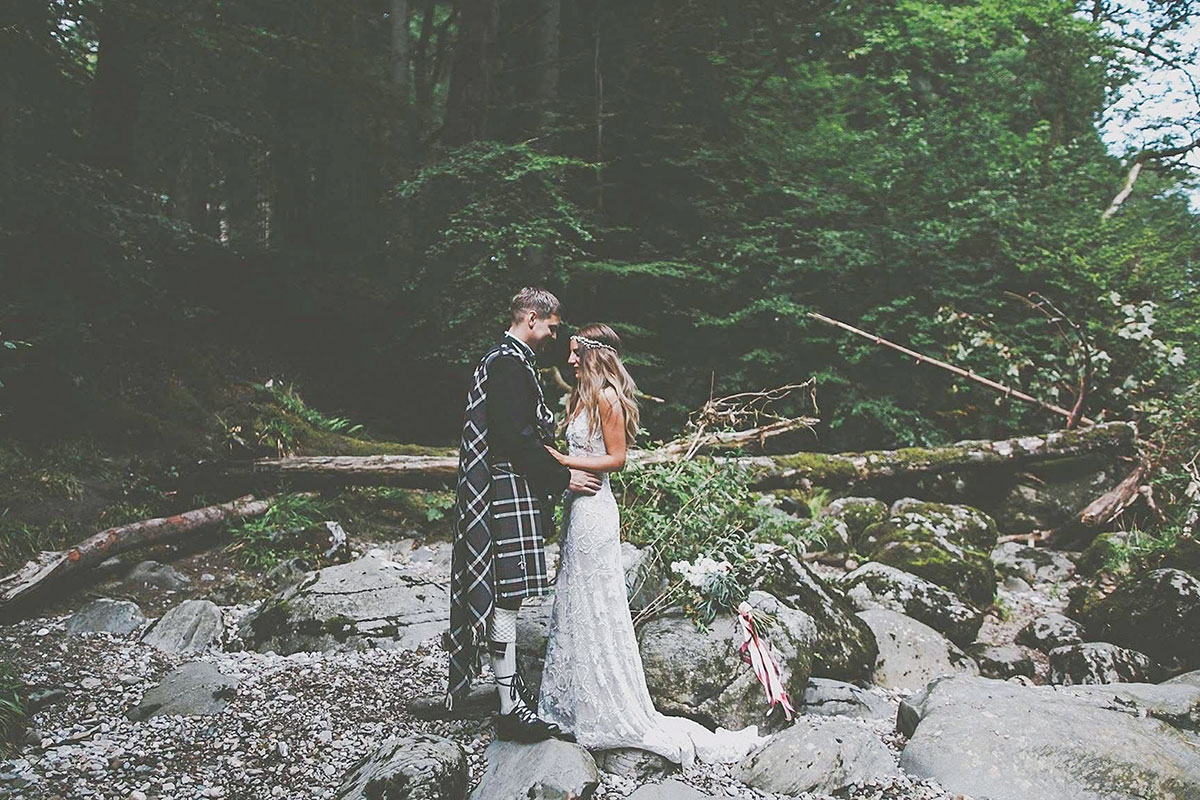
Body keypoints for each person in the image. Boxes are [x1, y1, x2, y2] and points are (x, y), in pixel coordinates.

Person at [537, 323, 767, 768]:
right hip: (577, 509)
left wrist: (564, 460)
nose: (568, 360)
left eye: (574, 353)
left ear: (593, 355)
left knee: (596, 604)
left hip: (596, 510)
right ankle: (575, 701)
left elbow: (617, 459)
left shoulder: (607, 398)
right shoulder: (580, 397)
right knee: (575, 603)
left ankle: (607, 706)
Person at [445, 287, 602, 742]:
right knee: (506, 596)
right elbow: (517, 438)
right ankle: (510, 708)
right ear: (532, 318)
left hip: (506, 486)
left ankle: (506, 697)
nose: (555, 336)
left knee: (505, 595)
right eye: (552, 326)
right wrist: (562, 478)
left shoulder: (509, 360)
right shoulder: (508, 364)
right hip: (505, 487)